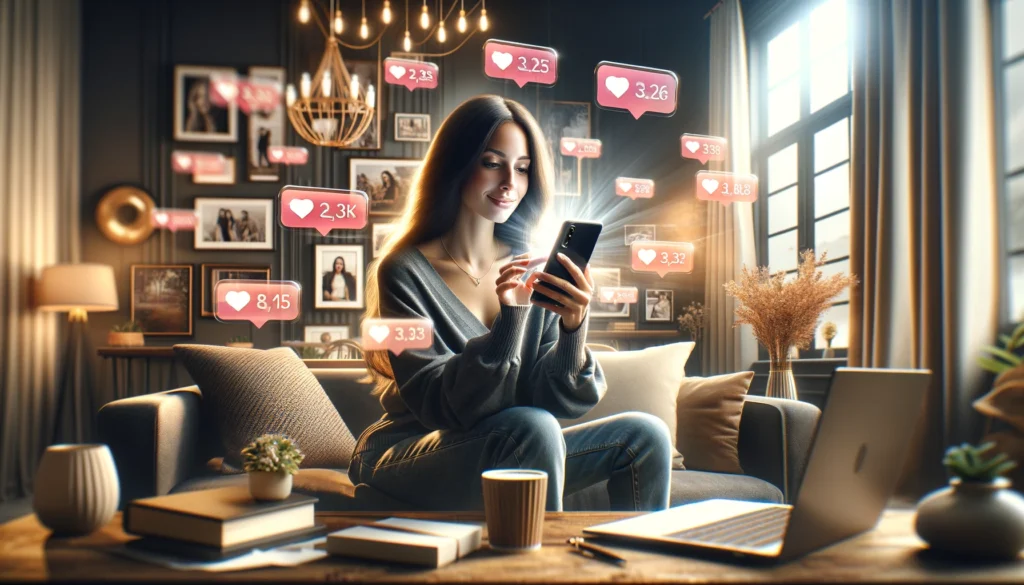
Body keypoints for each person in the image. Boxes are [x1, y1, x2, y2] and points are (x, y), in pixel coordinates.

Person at [352, 95, 673, 512]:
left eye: (522, 168)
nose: (510, 183)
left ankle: (637, 573)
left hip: (513, 444)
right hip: (410, 453)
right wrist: (510, 320)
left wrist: (574, 330)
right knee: (532, 427)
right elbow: (439, 404)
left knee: (646, 436)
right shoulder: (403, 270)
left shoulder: (531, 264)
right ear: (456, 164)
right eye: (492, 163)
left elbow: (554, 398)